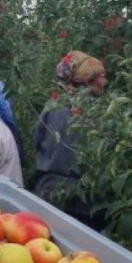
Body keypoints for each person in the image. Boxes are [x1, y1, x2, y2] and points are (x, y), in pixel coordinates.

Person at [33, 50, 107, 228]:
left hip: (49, 190)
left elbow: (37, 141)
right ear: (83, 79)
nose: (104, 82)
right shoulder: (96, 112)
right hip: (84, 201)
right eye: (98, 77)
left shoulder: (53, 105)